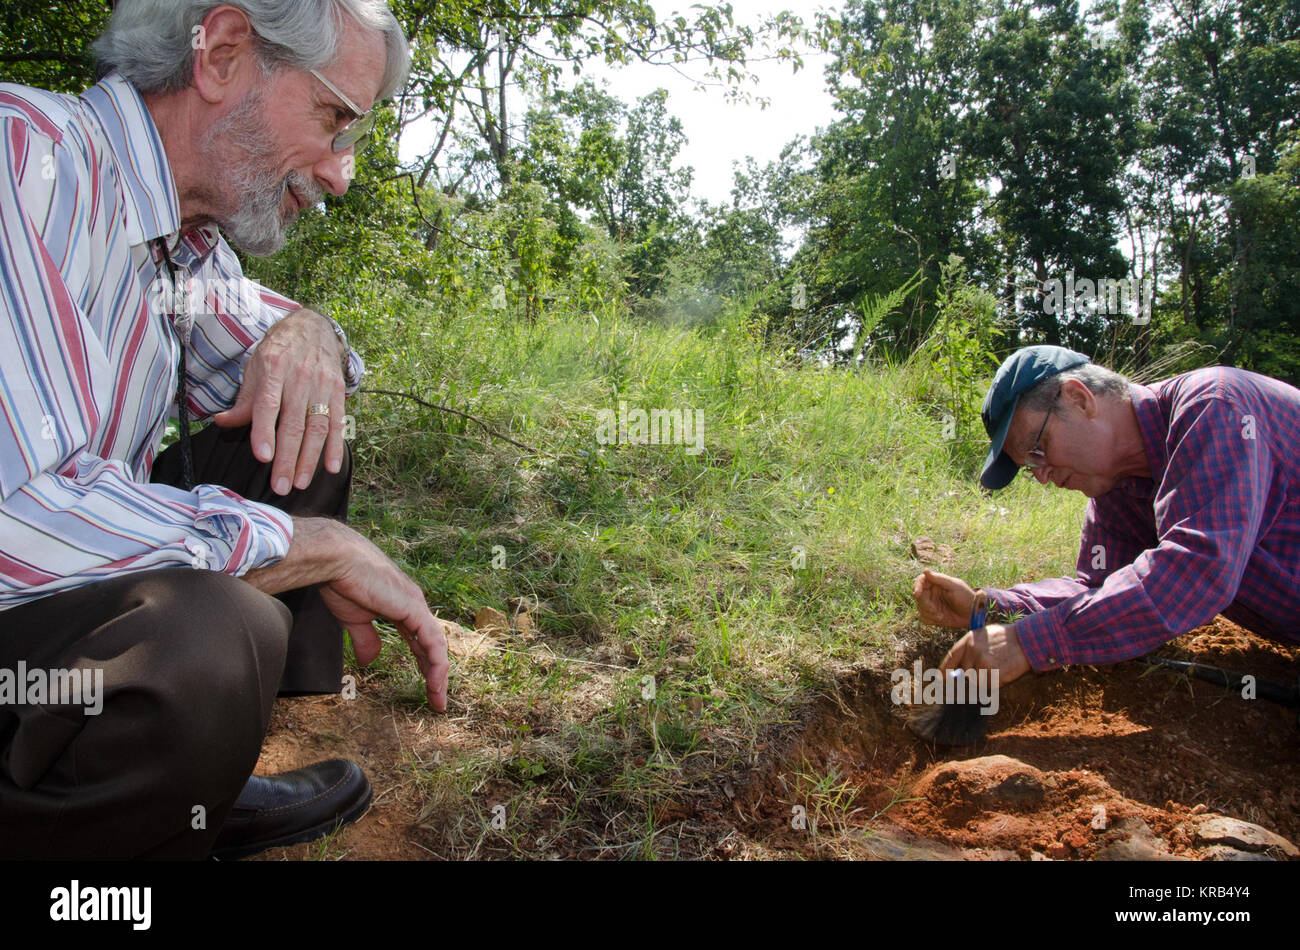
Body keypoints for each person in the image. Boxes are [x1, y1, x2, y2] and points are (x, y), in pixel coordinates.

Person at [0, 0, 449, 859]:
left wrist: (310, 333)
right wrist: (315, 546)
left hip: (41, 605)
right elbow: (17, 514)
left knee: (297, 424)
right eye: (333, 120)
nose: (341, 173)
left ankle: (186, 788)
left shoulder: (185, 247)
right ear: (224, 53)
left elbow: (284, 358)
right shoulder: (26, 159)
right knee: (207, 637)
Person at [913, 344, 1300, 686]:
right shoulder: (1118, 488)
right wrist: (989, 605)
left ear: (1079, 398)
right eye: (1030, 467)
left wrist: (1028, 643)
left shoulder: (1214, 406)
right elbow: (1096, 587)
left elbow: (1199, 567)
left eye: (1038, 449)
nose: (1043, 477)